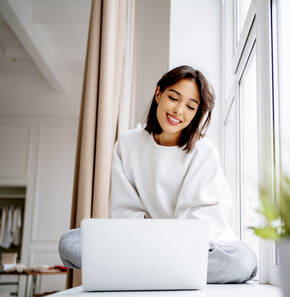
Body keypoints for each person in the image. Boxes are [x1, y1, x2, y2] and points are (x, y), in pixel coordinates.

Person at [58, 65, 257, 284]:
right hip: (144, 243)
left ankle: (146, 271)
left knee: (242, 260)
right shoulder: (127, 144)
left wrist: (169, 245)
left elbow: (206, 221)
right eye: (174, 98)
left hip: (193, 248)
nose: (179, 111)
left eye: (190, 107)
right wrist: (154, 242)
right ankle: (166, 272)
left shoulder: (204, 150)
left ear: (196, 114)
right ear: (158, 93)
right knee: (70, 243)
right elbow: (125, 212)